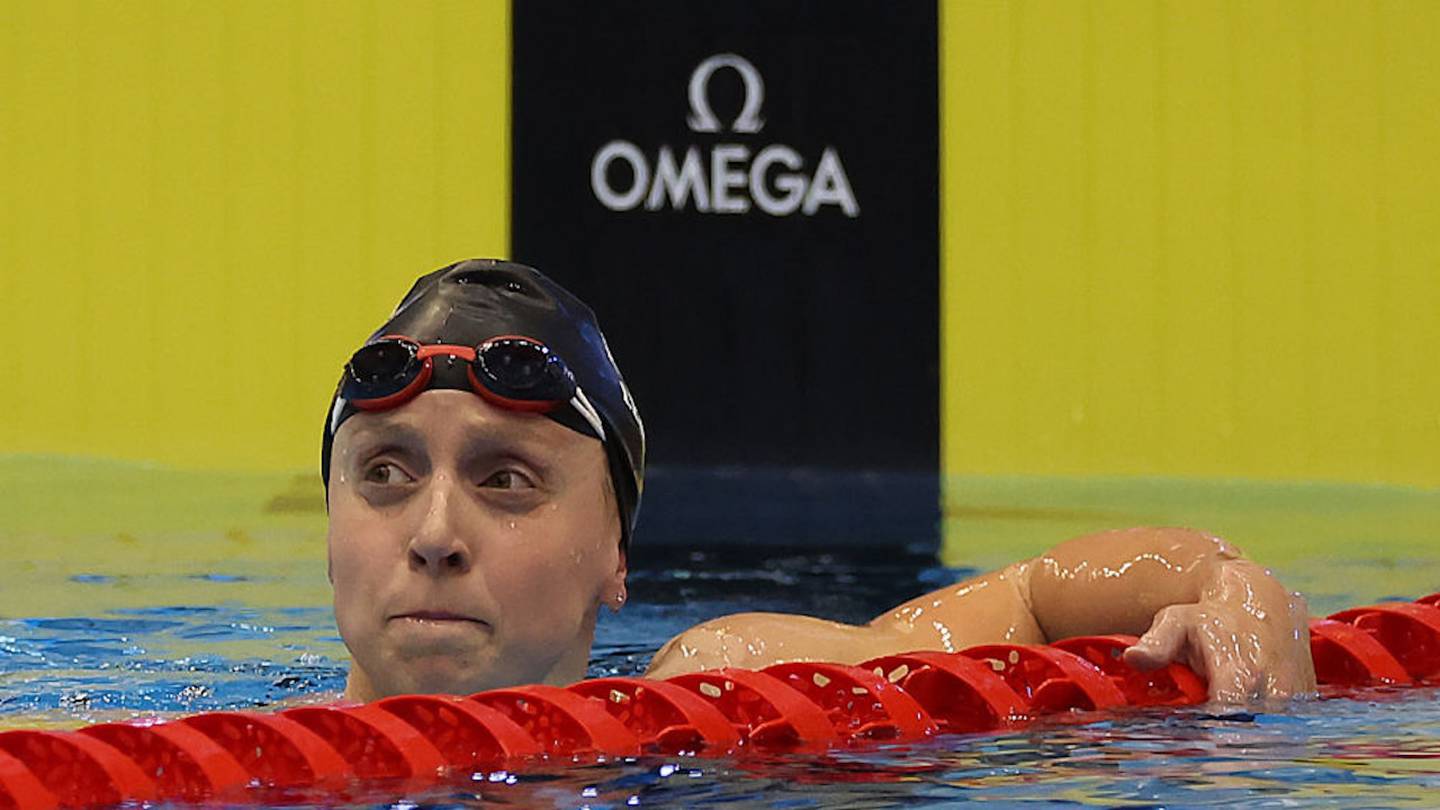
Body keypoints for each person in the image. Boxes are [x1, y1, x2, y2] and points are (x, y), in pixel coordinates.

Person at [322, 259, 1315, 705]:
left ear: (616, 555)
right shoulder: (199, 749)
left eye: (505, 479)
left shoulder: (725, 686)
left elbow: (1029, 596)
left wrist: (1226, 585)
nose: (435, 533)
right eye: (384, 474)